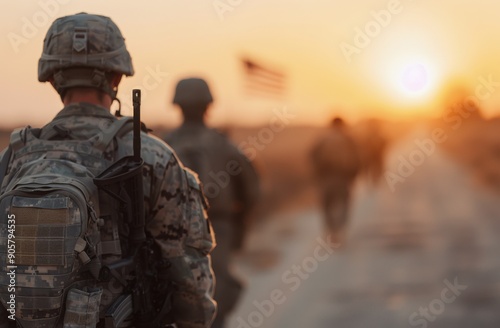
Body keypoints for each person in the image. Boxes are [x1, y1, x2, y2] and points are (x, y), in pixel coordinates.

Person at [0, 13, 216, 328]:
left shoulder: (11, 158)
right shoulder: (151, 156)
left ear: (53, 77)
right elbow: (189, 279)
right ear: (117, 75)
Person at [164, 78, 260, 328]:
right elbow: (250, 189)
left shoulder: (164, 145)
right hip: (218, 227)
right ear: (208, 105)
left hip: (169, 233)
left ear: (178, 106)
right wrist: (241, 225)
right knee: (215, 293)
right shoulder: (223, 144)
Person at [310, 117, 360, 244]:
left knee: (327, 205)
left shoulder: (322, 139)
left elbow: (312, 156)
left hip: (326, 178)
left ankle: (331, 232)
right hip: (343, 178)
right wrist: (353, 175)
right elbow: (357, 158)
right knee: (344, 204)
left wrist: (317, 175)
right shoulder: (348, 139)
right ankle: (339, 232)